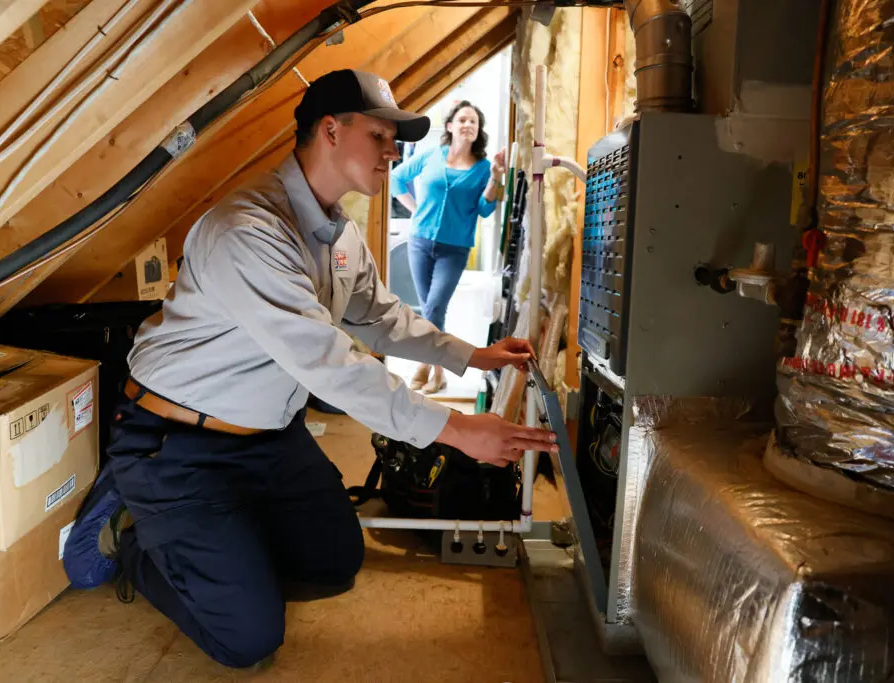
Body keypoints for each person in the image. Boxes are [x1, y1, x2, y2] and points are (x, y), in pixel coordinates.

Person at [60, 69, 557, 670]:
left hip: (268, 437)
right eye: (380, 135)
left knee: (333, 561)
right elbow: (331, 362)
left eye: (395, 141)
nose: (392, 153)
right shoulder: (248, 231)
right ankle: (138, 540)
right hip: (176, 443)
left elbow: (379, 318)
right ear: (330, 130)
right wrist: (454, 431)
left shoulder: (339, 232)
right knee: (249, 639)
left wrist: (473, 355)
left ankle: (221, 542)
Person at [390, 100, 506, 394]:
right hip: (419, 242)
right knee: (429, 308)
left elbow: (483, 209)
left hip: (454, 249)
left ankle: (427, 365)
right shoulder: (432, 155)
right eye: (463, 119)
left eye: (474, 122)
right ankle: (437, 371)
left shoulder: (482, 168)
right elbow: (396, 178)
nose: (468, 125)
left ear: (478, 131)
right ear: (451, 126)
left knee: (434, 306)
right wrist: (414, 210)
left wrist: (495, 177)